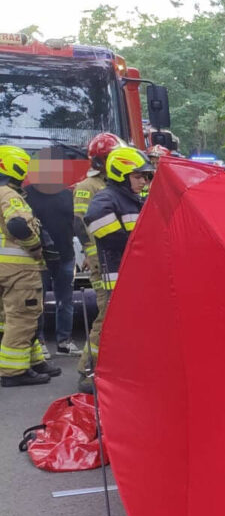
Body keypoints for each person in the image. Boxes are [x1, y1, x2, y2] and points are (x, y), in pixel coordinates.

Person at [78, 146, 153, 393]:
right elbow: (106, 234)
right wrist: (140, 241)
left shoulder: (132, 199)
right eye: (139, 176)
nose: (144, 180)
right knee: (109, 327)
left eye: (145, 176)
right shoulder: (106, 199)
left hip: (133, 276)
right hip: (117, 277)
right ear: (121, 174)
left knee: (132, 328)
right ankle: (89, 373)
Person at [0, 146, 62, 387]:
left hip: (6, 269)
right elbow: (17, 225)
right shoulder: (9, 194)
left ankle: (33, 361)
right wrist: (37, 246)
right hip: (19, 269)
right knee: (24, 316)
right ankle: (13, 372)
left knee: (10, 317)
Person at [73, 133, 119, 384]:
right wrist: (93, 255)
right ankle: (87, 367)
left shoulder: (112, 183)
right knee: (106, 314)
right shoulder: (87, 187)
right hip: (100, 261)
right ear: (101, 160)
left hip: (110, 259)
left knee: (114, 312)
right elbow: (81, 226)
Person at [24, 156, 78, 355]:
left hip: (65, 256)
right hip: (39, 258)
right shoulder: (26, 195)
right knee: (38, 303)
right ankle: (40, 343)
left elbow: (76, 222)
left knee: (66, 301)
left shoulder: (67, 194)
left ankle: (64, 342)